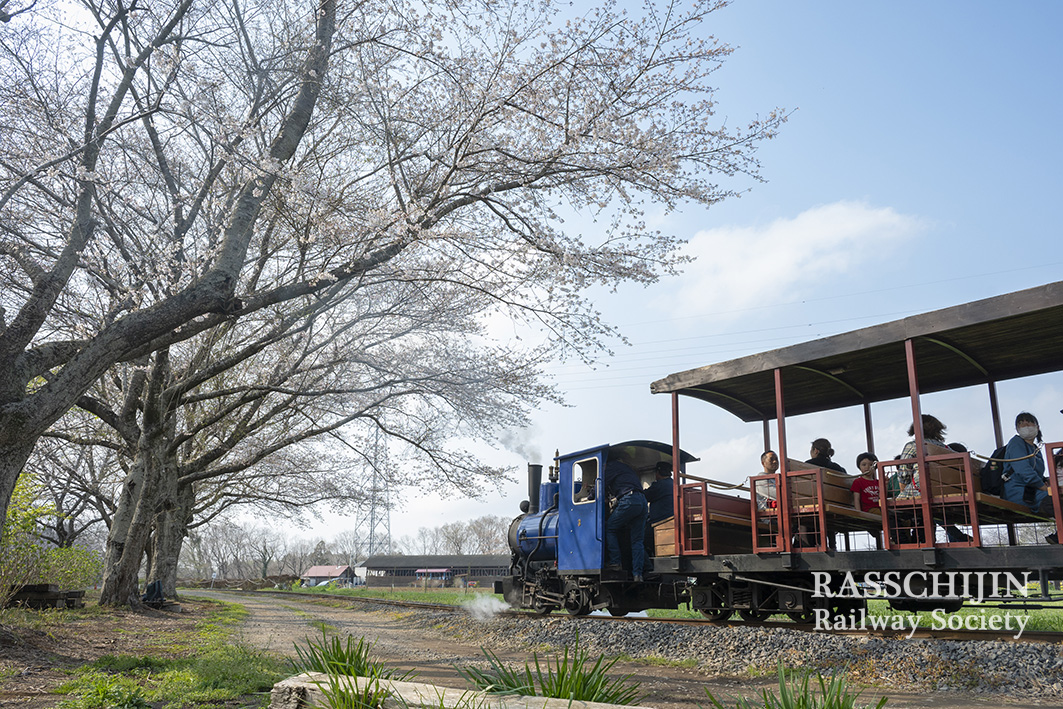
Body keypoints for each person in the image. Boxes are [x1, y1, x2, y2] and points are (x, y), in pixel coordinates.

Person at [604, 449, 647, 581]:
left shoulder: (611, 466)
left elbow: (601, 484)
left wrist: (590, 496)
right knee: (637, 540)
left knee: (610, 528)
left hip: (629, 500)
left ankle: (616, 562)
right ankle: (637, 574)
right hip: (642, 501)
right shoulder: (627, 468)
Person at [1001, 412, 1051, 516]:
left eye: (1028, 423)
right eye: (1021, 424)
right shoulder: (1016, 443)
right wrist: (1043, 487)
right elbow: (1023, 470)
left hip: (1033, 491)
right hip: (1019, 491)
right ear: (1017, 429)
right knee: (1054, 501)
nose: (1025, 426)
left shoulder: (1036, 449)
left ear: (1037, 427)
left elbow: (1037, 474)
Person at [643, 461, 675, 556]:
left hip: (660, 520)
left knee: (640, 539)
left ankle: (647, 562)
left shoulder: (659, 485)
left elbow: (645, 496)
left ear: (658, 473)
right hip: (670, 517)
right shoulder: (673, 483)